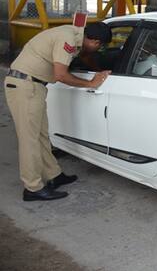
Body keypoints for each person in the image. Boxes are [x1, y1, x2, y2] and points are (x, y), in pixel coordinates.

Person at [5, 22, 112, 201]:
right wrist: (90, 83)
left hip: (32, 86)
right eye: (99, 45)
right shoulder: (67, 39)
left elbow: (84, 56)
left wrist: (98, 71)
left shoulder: (75, 36)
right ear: (94, 41)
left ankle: (53, 175)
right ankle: (32, 188)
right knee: (29, 140)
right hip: (25, 86)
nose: (98, 48)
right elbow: (60, 75)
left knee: (41, 136)